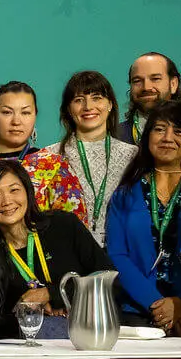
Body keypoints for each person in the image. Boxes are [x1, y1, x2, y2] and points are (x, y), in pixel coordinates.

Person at [0, 160, 109, 340]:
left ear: (27, 191)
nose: (7, 201)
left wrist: (52, 294)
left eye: (14, 190)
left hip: (87, 335)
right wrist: (30, 311)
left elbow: (108, 280)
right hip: (23, 348)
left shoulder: (63, 225)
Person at [105, 100, 181, 335]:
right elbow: (117, 254)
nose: (168, 137)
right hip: (137, 313)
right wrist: (155, 303)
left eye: (179, 131)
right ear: (147, 137)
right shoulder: (125, 193)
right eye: (159, 129)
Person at [55, 70, 136, 245]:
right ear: (68, 109)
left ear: (110, 104)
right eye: (78, 100)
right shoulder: (51, 158)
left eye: (97, 97)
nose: (88, 106)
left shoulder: (134, 156)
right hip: (69, 254)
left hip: (122, 254)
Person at [0, 81, 85, 217]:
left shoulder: (53, 166)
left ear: (35, 117)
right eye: (7, 112)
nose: (16, 121)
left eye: (25, 113)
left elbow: (75, 228)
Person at [116, 53, 181, 143]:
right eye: (137, 81)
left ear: (173, 84)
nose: (146, 87)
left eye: (155, 79)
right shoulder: (115, 137)